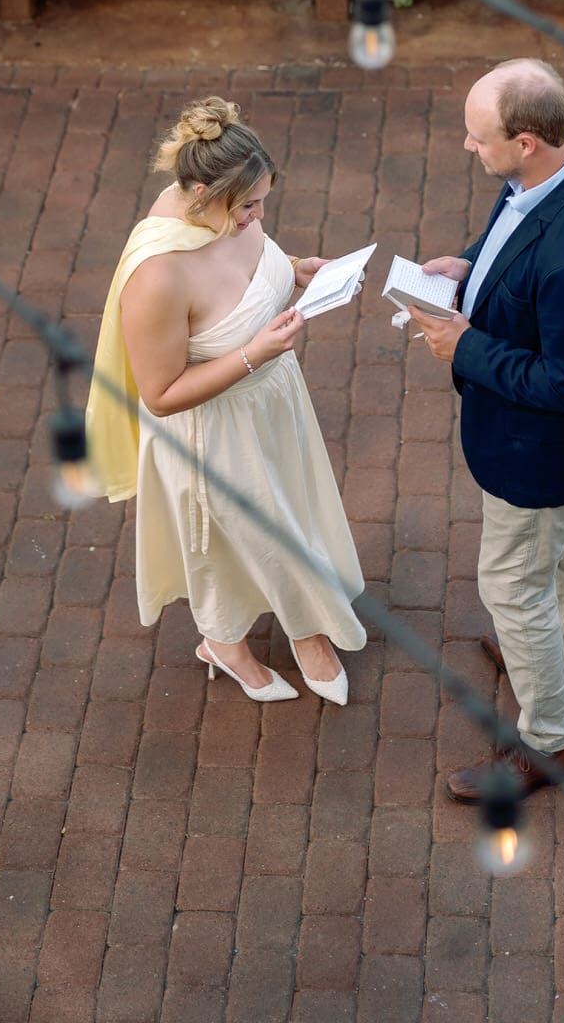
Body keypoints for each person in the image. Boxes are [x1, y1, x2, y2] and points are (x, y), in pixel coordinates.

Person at [86, 97, 365, 703]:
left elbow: (245, 265)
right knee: (248, 536)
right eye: (248, 206)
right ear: (199, 191)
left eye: (262, 201)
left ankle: (304, 627)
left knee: (292, 513)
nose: (257, 215)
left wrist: (293, 269)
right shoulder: (158, 276)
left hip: (270, 406)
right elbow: (159, 395)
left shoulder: (231, 211)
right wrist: (254, 355)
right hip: (211, 433)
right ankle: (227, 642)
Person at [409, 58, 564, 798]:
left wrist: (463, 345)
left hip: (540, 454)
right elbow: (512, 230)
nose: (468, 148)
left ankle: (548, 742)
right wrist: (469, 266)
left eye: (480, 140)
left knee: (513, 586)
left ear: (528, 140)